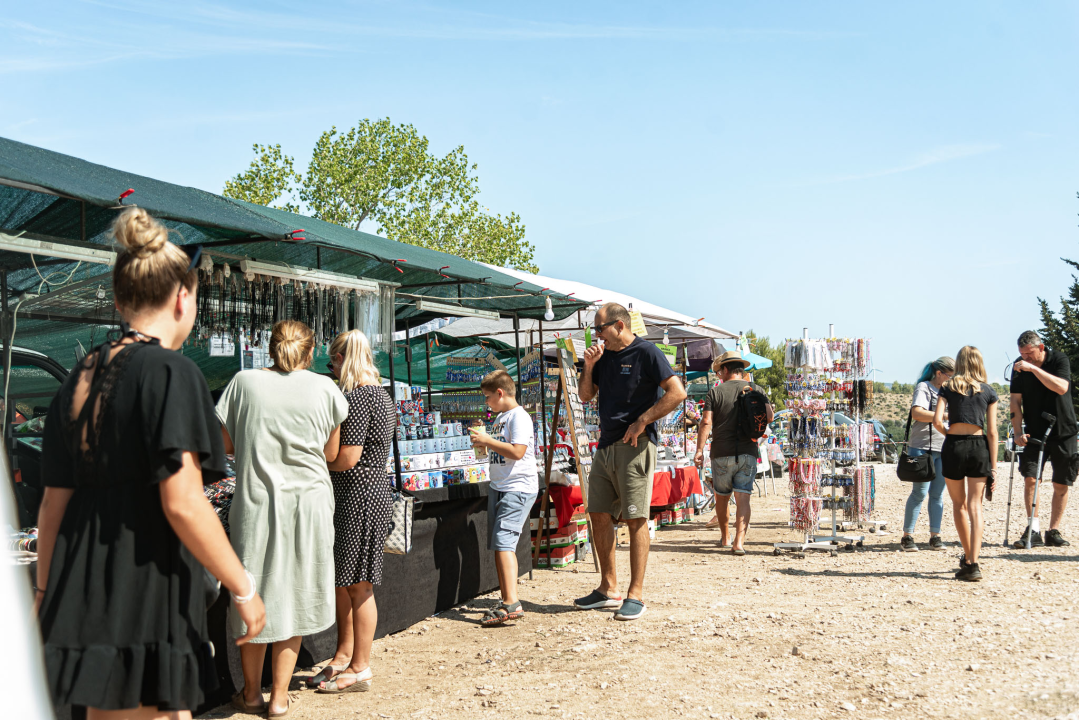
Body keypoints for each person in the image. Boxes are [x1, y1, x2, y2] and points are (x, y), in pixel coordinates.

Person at [35, 207, 266, 719]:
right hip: (144, 581)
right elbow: (183, 502)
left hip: (86, 583)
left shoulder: (80, 376)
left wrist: (46, 592)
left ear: (119, 300)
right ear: (183, 297)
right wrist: (242, 586)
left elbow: (54, 502)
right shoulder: (170, 371)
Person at [216, 319, 349, 716]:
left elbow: (225, 445)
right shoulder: (326, 388)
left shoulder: (243, 383)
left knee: (255, 592)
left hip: (256, 502)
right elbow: (330, 453)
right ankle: (280, 697)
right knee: (293, 595)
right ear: (310, 353)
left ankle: (252, 693)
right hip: (309, 504)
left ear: (269, 348)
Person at [574, 303, 686, 621]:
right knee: (597, 513)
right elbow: (584, 396)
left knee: (636, 518)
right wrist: (590, 365)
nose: (596, 335)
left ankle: (635, 594)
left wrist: (643, 420)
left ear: (619, 325)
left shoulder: (647, 352)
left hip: (635, 445)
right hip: (606, 444)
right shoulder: (603, 356)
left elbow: (677, 392)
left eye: (600, 329)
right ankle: (608, 588)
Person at [312, 330, 397, 694]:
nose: (332, 368)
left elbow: (348, 457)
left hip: (358, 494)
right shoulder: (379, 393)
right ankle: (343, 655)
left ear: (343, 359)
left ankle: (360, 665)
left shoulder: (360, 396)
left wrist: (315, 462)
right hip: (365, 493)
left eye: (333, 361)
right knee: (346, 582)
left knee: (358, 584)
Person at [468, 369, 539, 626]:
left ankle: (512, 602)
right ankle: (507, 598)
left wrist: (487, 440)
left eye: (487, 397)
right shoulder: (501, 418)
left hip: (516, 487)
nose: (485, 402)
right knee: (500, 544)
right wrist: (483, 445)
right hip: (501, 486)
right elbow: (503, 450)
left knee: (504, 543)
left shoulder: (518, 417)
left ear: (500, 393)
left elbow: (518, 452)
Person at [693, 351, 774, 554]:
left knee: (722, 497)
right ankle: (739, 542)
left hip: (721, 452)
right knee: (743, 498)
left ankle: (725, 537)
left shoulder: (715, 392)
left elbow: (706, 422)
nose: (719, 374)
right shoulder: (756, 388)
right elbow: (770, 417)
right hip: (748, 451)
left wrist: (699, 450)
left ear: (727, 369)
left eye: (720, 371)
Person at [933, 346, 998, 582]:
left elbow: (937, 421)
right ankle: (974, 562)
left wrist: (949, 433)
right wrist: (994, 465)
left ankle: (969, 559)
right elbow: (992, 432)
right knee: (975, 506)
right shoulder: (989, 391)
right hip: (979, 447)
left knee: (958, 505)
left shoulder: (948, 387)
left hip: (954, 446)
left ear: (959, 363)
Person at [1009, 330, 1077, 548]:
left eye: (1029, 354)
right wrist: (1017, 431)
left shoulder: (1059, 359)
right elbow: (1014, 402)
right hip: (1034, 431)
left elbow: (1061, 387)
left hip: (1064, 430)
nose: (1025, 359)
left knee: (1061, 483)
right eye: (1022, 355)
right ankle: (1034, 528)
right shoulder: (1019, 368)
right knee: (1031, 479)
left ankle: (1053, 530)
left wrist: (1033, 369)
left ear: (1041, 348)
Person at [900, 356, 955, 552]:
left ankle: (935, 535)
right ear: (939, 373)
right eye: (950, 376)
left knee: (937, 494)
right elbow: (917, 413)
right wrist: (946, 415)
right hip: (922, 446)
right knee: (919, 492)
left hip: (943, 447)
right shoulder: (924, 387)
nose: (952, 380)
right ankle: (907, 535)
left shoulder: (951, 390)